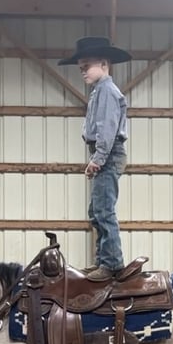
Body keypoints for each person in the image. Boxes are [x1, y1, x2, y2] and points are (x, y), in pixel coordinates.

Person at [58, 37, 132, 282]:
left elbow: (107, 128)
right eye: (81, 68)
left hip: (108, 153)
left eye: (86, 66)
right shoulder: (100, 91)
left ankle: (112, 264)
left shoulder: (107, 92)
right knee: (98, 209)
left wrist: (98, 158)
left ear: (103, 63)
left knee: (104, 209)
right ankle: (103, 260)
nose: (83, 72)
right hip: (104, 152)